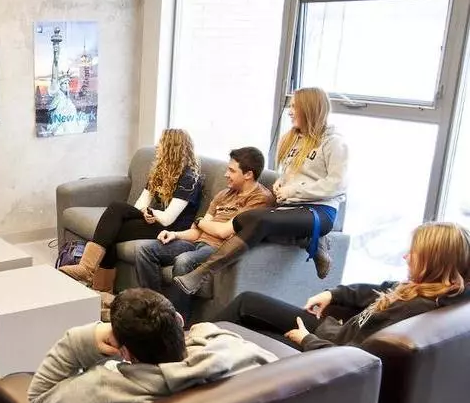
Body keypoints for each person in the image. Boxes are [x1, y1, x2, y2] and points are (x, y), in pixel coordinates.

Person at [27, 288, 277, 403]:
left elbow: (40, 393)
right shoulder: (237, 350)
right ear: (179, 320)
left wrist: (84, 339)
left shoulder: (112, 396)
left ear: (125, 352)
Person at [174, 87, 348, 298]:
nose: (290, 111)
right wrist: (280, 184)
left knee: (260, 222)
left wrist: (293, 190)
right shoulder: (294, 139)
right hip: (290, 208)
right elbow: (290, 174)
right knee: (245, 219)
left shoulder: (334, 142)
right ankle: (308, 240)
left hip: (318, 211)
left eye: (295, 106)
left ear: (310, 108)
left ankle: (202, 273)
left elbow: (336, 185)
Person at [213, 222, 470, 351]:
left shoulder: (415, 308)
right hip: (332, 333)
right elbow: (378, 288)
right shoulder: (427, 288)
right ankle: (196, 343)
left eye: (414, 254)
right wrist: (333, 293)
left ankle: (194, 352)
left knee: (238, 332)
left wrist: (308, 340)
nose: (406, 257)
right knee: (247, 303)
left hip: (325, 351)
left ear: (435, 263)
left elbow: (357, 361)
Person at [135, 147, 274, 317]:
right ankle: (153, 310)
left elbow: (223, 232)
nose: (226, 174)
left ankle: (177, 320)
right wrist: (175, 234)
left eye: (231, 170)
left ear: (248, 174)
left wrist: (200, 221)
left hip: (219, 249)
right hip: (197, 243)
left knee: (184, 261)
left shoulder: (260, 199)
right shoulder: (224, 194)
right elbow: (197, 232)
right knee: (145, 250)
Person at [59, 128, 202, 294]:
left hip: (172, 230)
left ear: (172, 149)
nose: (158, 147)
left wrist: (150, 212)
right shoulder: (160, 172)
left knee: (114, 216)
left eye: (162, 143)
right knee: (111, 229)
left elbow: (168, 219)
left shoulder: (189, 179)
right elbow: (139, 204)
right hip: (156, 220)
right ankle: (99, 286)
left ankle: (92, 276)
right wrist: (145, 212)